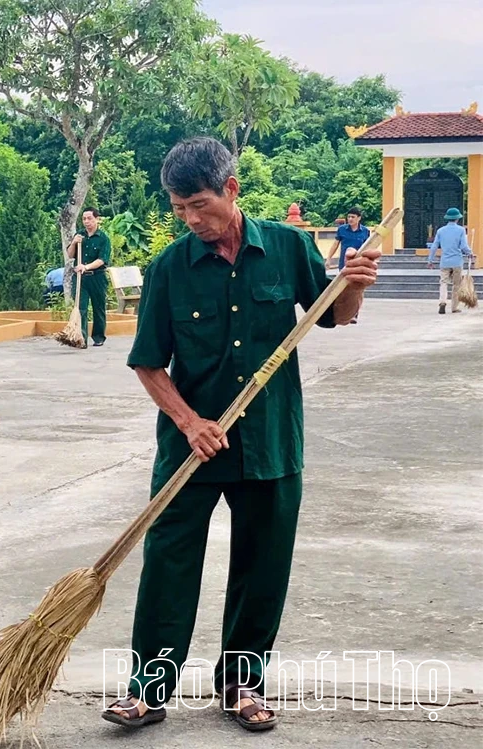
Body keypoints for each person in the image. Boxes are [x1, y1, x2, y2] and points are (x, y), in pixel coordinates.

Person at [102, 137, 379, 733]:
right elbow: (149, 363)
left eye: (200, 204)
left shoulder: (287, 247)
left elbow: (337, 315)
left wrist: (353, 281)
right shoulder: (170, 269)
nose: (192, 219)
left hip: (271, 442)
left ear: (232, 189)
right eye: (179, 209)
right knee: (169, 563)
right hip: (192, 447)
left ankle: (241, 686)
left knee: (261, 567)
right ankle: (148, 690)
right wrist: (188, 421)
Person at [66, 207, 112, 347]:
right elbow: (69, 254)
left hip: (97, 277)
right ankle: (81, 338)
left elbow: (102, 260)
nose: (87, 222)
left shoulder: (103, 238)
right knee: (81, 308)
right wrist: (74, 242)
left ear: (97, 219)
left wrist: (85, 266)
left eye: (89, 218)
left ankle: (98, 337)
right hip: (81, 278)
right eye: (84, 219)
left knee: (98, 308)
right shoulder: (79, 235)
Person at [325, 207, 370, 324]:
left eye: (353, 217)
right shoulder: (342, 230)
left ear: (359, 218)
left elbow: (369, 247)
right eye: (349, 217)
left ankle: (355, 313)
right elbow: (335, 245)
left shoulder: (365, 231)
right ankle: (344, 312)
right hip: (344, 264)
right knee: (343, 288)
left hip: (359, 264)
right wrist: (328, 259)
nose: (350, 219)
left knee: (358, 289)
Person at [428, 207, 474, 314]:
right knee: (456, 284)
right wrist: (470, 253)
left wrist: (430, 260)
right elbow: (463, 246)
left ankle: (442, 302)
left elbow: (434, 246)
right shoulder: (461, 230)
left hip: (445, 261)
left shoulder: (440, 231)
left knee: (443, 282)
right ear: (457, 218)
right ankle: (454, 307)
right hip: (457, 261)